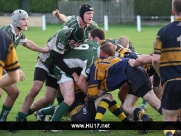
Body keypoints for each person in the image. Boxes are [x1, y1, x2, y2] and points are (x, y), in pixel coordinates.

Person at [87, 42, 163, 133]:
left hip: (136, 70)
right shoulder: (117, 52)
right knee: (126, 106)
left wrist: (97, 93)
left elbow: (141, 61)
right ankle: (144, 118)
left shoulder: (98, 64)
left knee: (154, 101)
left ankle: (175, 120)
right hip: (136, 72)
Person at [15, 27, 85, 122]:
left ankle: (28, 113)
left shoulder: (79, 39)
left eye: (78, 43)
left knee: (49, 99)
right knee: (36, 89)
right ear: (71, 36)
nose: (75, 45)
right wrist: (74, 74)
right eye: (74, 42)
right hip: (45, 62)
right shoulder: (62, 35)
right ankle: (19, 118)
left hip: (56, 68)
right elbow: (58, 60)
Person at [0, 9, 50, 122]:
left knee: (14, 93)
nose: (26, 21)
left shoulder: (18, 34)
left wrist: (43, 50)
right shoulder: (6, 33)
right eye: (23, 19)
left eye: (27, 19)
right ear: (16, 20)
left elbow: (27, 43)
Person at [152, 0, 181, 135]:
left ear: (173, 11)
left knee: (169, 119)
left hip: (172, 81)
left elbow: (156, 59)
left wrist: (163, 78)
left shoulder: (163, 32)